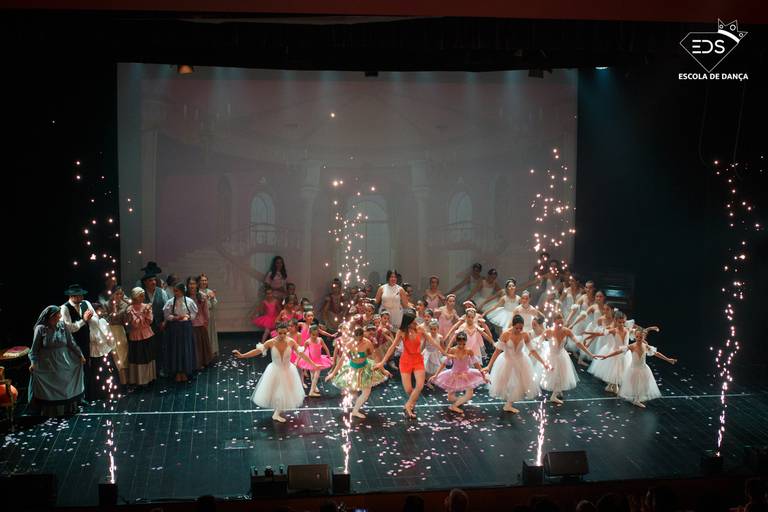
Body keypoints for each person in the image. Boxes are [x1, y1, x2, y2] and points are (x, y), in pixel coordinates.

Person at [233, 322, 318, 422]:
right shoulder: (270, 342)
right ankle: (276, 413)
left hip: (288, 370)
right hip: (275, 370)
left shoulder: (291, 342)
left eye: (284, 333)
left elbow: (302, 354)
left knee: (285, 392)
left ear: (287, 332)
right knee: (277, 392)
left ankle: (276, 413)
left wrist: (313, 364)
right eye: (280, 333)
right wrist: (243, 355)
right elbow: (257, 351)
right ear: (277, 332)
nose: (282, 335)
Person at [375, 312, 442, 419]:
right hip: (405, 361)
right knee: (409, 390)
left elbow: (432, 341)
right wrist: (382, 362)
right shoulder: (401, 332)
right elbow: (392, 347)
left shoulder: (420, 329)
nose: (415, 322)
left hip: (418, 360)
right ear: (407, 322)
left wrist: (444, 352)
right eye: (413, 321)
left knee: (419, 385)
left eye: (415, 320)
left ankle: (407, 406)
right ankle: (411, 404)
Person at [596, 327, 677, 407]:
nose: (638, 338)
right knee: (634, 384)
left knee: (644, 384)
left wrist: (668, 359)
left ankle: (637, 398)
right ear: (635, 336)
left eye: (641, 337)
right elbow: (618, 351)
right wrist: (607, 356)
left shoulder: (646, 346)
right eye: (637, 337)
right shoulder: (632, 346)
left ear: (644, 337)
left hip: (644, 368)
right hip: (633, 369)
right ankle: (636, 400)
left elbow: (656, 353)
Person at [484, 315, 550, 413]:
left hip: (521, 361)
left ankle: (508, 404)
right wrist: (488, 366)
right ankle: (508, 401)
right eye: (516, 328)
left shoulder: (525, 335)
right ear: (513, 325)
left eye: (521, 328)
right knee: (505, 383)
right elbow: (497, 351)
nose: (519, 330)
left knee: (519, 383)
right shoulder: (506, 334)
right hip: (507, 361)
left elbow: (532, 350)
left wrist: (544, 363)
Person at [28, 305, 85, 416]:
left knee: (66, 380)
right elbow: (33, 350)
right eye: (57, 315)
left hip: (64, 360)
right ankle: (52, 410)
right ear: (50, 316)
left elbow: (71, 342)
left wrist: (80, 355)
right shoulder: (41, 328)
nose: (59, 317)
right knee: (51, 382)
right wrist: (33, 363)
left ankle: (68, 408)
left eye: (59, 314)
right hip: (48, 363)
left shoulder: (62, 325)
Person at [326, 326, 390, 419]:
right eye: (356, 339)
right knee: (353, 389)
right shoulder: (349, 344)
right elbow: (342, 359)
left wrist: (383, 370)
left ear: (362, 336)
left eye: (360, 339)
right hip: (353, 369)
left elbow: (375, 357)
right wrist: (333, 373)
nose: (358, 341)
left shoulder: (367, 343)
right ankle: (355, 406)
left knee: (366, 392)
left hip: (365, 368)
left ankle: (355, 410)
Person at [540, 313, 594, 404]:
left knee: (561, 374)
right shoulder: (548, 331)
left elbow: (578, 343)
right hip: (551, 355)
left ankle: (555, 393)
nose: (560, 325)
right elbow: (539, 341)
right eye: (558, 323)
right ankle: (556, 392)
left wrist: (590, 353)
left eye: (562, 323)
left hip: (562, 355)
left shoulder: (567, 331)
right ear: (554, 322)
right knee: (552, 375)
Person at [429, 331, 487, 414]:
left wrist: (483, 376)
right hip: (454, 374)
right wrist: (436, 374)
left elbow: (476, 364)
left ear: (466, 342)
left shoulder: (469, 351)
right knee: (450, 398)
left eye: (463, 344)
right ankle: (460, 400)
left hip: (466, 374)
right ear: (456, 342)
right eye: (460, 344)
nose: (461, 346)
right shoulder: (452, 350)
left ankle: (454, 406)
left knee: (469, 394)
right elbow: (444, 363)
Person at [60, 284, 97, 402]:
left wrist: (91, 319)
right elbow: (69, 328)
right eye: (79, 295)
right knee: (75, 370)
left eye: (81, 295)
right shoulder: (64, 308)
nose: (81, 297)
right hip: (73, 344)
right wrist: (83, 320)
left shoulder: (85, 303)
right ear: (72, 296)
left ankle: (86, 395)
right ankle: (76, 398)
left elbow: (94, 318)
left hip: (85, 341)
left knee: (86, 368)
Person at [163, 283, 198, 382]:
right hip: (175, 328)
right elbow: (166, 315)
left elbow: (194, 313)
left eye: (176, 291)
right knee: (176, 349)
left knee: (185, 348)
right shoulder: (170, 302)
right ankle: (177, 372)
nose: (175, 293)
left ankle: (185, 371)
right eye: (174, 291)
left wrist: (188, 316)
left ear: (182, 291)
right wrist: (175, 318)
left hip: (186, 328)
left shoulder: (189, 301)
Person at [125, 287, 157, 386]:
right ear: (135, 297)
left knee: (148, 357)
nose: (143, 297)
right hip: (136, 336)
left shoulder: (147, 306)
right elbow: (135, 324)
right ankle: (139, 380)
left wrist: (146, 313)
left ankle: (149, 378)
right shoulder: (130, 309)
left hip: (147, 334)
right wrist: (143, 313)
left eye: (143, 295)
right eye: (141, 296)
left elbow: (149, 321)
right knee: (138, 358)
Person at [296, 325, 333, 397]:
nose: (315, 336)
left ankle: (312, 391)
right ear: (310, 334)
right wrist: (298, 360)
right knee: (313, 376)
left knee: (316, 376)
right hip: (311, 361)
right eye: (313, 335)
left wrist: (329, 357)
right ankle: (313, 389)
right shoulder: (307, 342)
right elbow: (303, 351)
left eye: (316, 335)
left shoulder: (320, 340)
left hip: (319, 360)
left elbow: (326, 348)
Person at [188, 276, 214, 369]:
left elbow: (205, 310)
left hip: (200, 323)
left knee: (200, 344)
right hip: (189, 323)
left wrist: (206, 321)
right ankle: (193, 363)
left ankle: (201, 362)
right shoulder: (186, 296)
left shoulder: (201, 295)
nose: (192, 286)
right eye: (190, 284)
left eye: (194, 284)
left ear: (197, 285)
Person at [107, 286, 130, 383]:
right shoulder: (107, 304)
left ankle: (125, 381)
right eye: (117, 294)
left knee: (123, 355)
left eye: (121, 294)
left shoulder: (125, 305)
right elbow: (108, 319)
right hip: (109, 331)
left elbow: (125, 320)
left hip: (120, 331)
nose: (119, 296)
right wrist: (114, 308)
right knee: (114, 355)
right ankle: (117, 381)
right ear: (112, 294)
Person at [199, 274, 219, 357]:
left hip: (210, 315)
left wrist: (213, 297)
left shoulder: (209, 291)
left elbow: (214, 305)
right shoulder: (197, 292)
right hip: (201, 316)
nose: (204, 282)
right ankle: (203, 352)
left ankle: (211, 351)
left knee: (211, 333)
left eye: (205, 280)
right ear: (199, 282)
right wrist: (206, 298)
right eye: (202, 280)